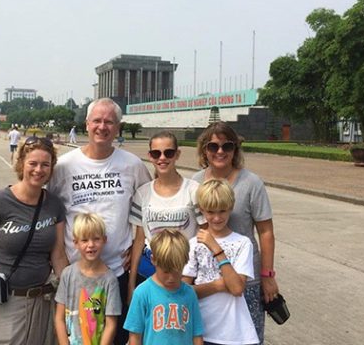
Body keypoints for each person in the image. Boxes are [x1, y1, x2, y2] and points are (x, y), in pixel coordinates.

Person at [47, 98, 152, 345]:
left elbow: (150, 208)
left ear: (118, 128)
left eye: (109, 122)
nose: (102, 127)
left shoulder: (132, 166)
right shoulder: (65, 166)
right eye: (97, 120)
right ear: (87, 124)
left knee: (115, 337)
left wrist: (140, 249)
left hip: (118, 274)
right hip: (77, 275)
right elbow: (50, 214)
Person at [0, 136, 69, 344]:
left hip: (41, 303)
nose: (38, 170)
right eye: (33, 163)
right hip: (5, 301)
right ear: (21, 163)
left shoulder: (54, 205)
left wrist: (73, 290)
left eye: (45, 165)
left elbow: (58, 255)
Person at [191, 122, 278, 344]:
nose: (220, 152)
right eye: (213, 146)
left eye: (227, 146)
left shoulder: (251, 183)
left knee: (248, 336)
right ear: (204, 150)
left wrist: (267, 277)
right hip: (208, 279)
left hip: (244, 278)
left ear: (235, 149)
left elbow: (265, 232)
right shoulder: (195, 182)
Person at [128, 131, 205, 302]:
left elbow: (204, 235)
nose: (162, 158)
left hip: (184, 272)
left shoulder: (194, 190)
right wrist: (131, 283)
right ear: (150, 156)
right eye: (156, 153)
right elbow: (139, 240)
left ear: (177, 154)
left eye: (168, 152)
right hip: (149, 270)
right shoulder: (142, 193)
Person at [183, 179, 259, 345]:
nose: (217, 218)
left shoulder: (243, 243)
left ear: (231, 208)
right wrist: (218, 286)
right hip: (201, 330)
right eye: (210, 212)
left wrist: (215, 248)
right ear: (202, 210)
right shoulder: (194, 244)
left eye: (222, 211)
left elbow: (237, 288)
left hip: (234, 334)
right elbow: (183, 291)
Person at [124, 229, 203, 345]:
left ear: (185, 261)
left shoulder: (189, 293)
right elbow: (135, 337)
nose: (171, 278)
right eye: (166, 272)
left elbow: (197, 335)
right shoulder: (142, 293)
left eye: (176, 272)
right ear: (153, 260)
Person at [55, 213, 121, 345]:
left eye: (96, 239)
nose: (91, 245)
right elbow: (59, 318)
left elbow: (111, 324)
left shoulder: (110, 280)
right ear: (75, 243)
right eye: (84, 240)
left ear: (104, 240)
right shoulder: (67, 274)